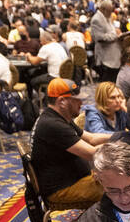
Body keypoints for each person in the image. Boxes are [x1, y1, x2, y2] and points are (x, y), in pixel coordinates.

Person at [30, 78, 104, 206]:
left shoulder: (60, 118)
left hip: (73, 180)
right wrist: (122, 144)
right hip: (61, 190)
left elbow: (92, 139)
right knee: (119, 188)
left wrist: (120, 135)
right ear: (62, 101)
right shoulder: (52, 125)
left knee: (119, 182)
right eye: (77, 100)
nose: (81, 103)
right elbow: (92, 154)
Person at [90, 0, 123, 82]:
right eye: (109, 11)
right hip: (106, 57)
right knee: (107, 82)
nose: (111, 13)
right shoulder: (96, 19)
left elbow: (111, 31)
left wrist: (117, 32)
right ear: (103, 9)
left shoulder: (106, 17)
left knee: (113, 80)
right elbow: (100, 38)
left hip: (113, 55)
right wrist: (115, 35)